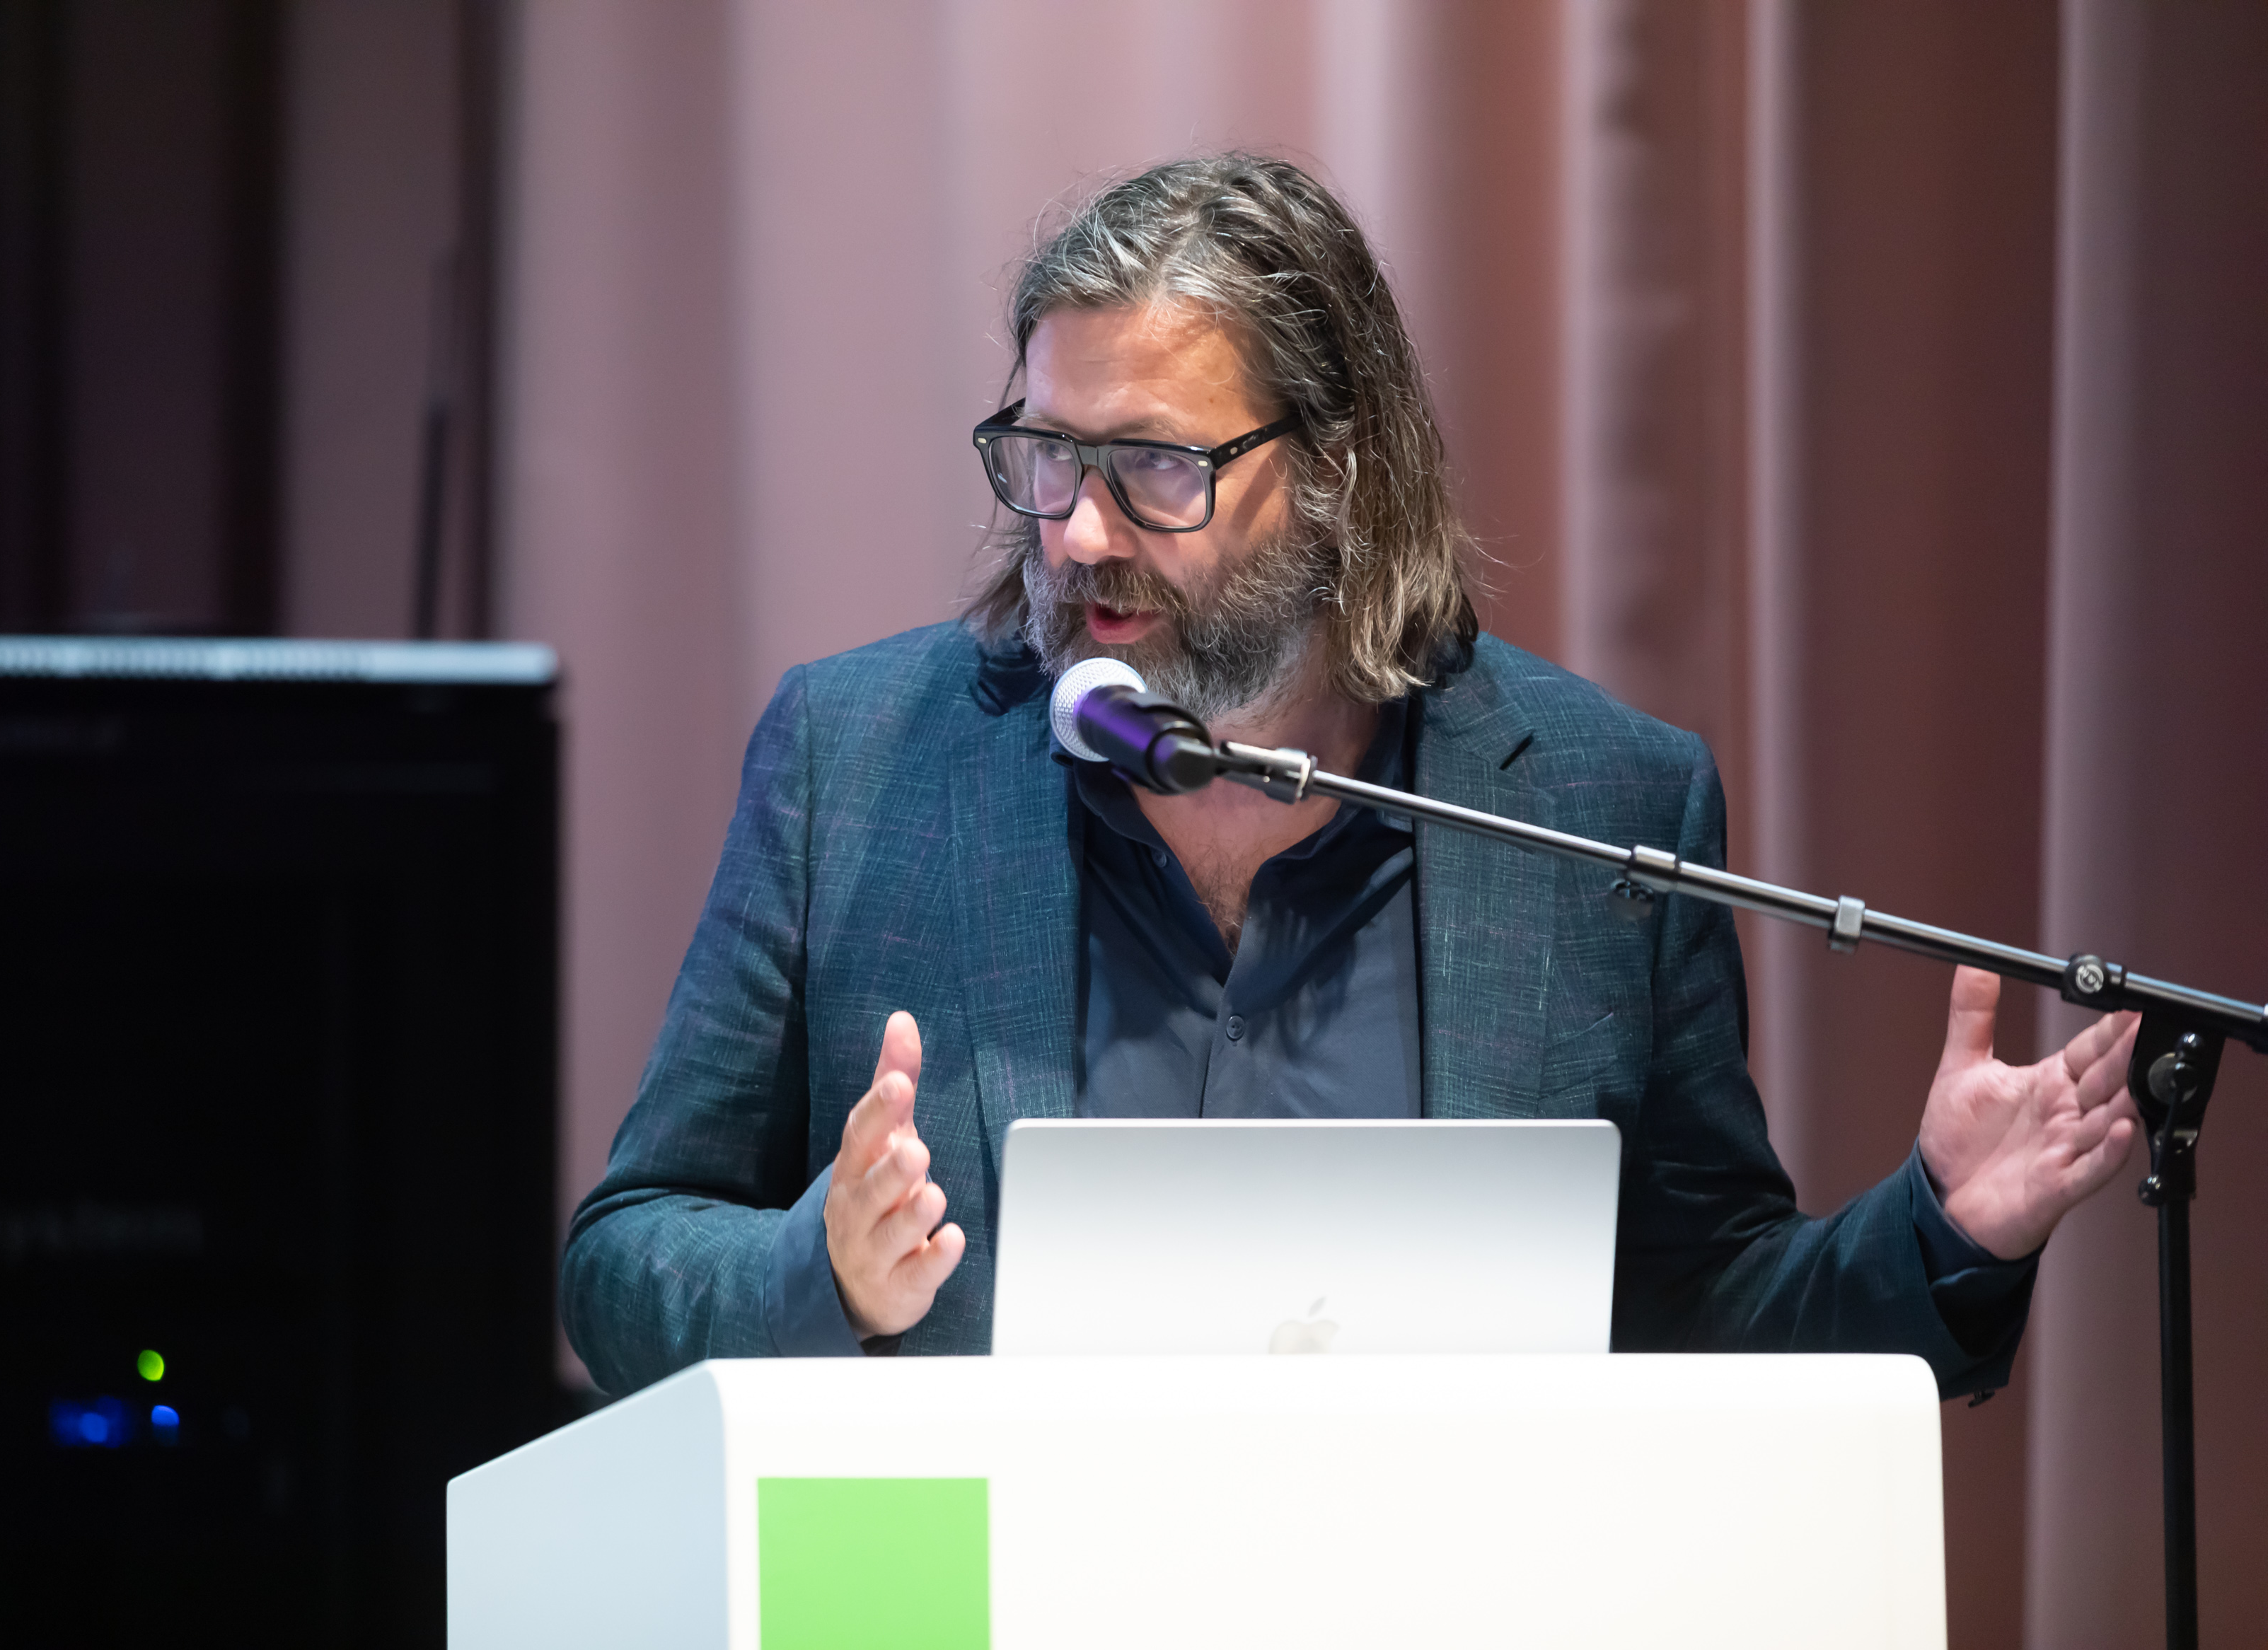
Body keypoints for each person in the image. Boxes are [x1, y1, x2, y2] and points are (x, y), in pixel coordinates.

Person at [562, 153, 2140, 1400]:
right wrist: (820, 1273)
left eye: (1155, 465)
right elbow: (621, 1259)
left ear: (1336, 471)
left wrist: (1941, 1229)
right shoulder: (858, 761)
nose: (1081, 531)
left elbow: (1698, 1319)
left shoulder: (1595, 806)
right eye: (1047, 456)